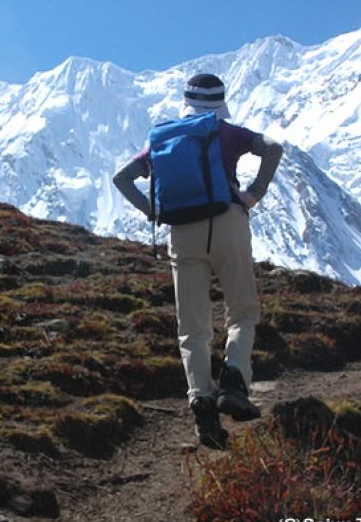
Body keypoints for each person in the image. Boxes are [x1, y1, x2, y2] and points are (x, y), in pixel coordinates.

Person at [113, 73, 283, 449]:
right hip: (227, 221)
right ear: (221, 102)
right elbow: (273, 147)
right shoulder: (230, 132)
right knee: (242, 311)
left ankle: (203, 405)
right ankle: (234, 382)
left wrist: (153, 211)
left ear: (186, 101)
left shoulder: (165, 139)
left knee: (192, 327)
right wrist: (254, 193)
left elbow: (122, 178)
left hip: (181, 231)